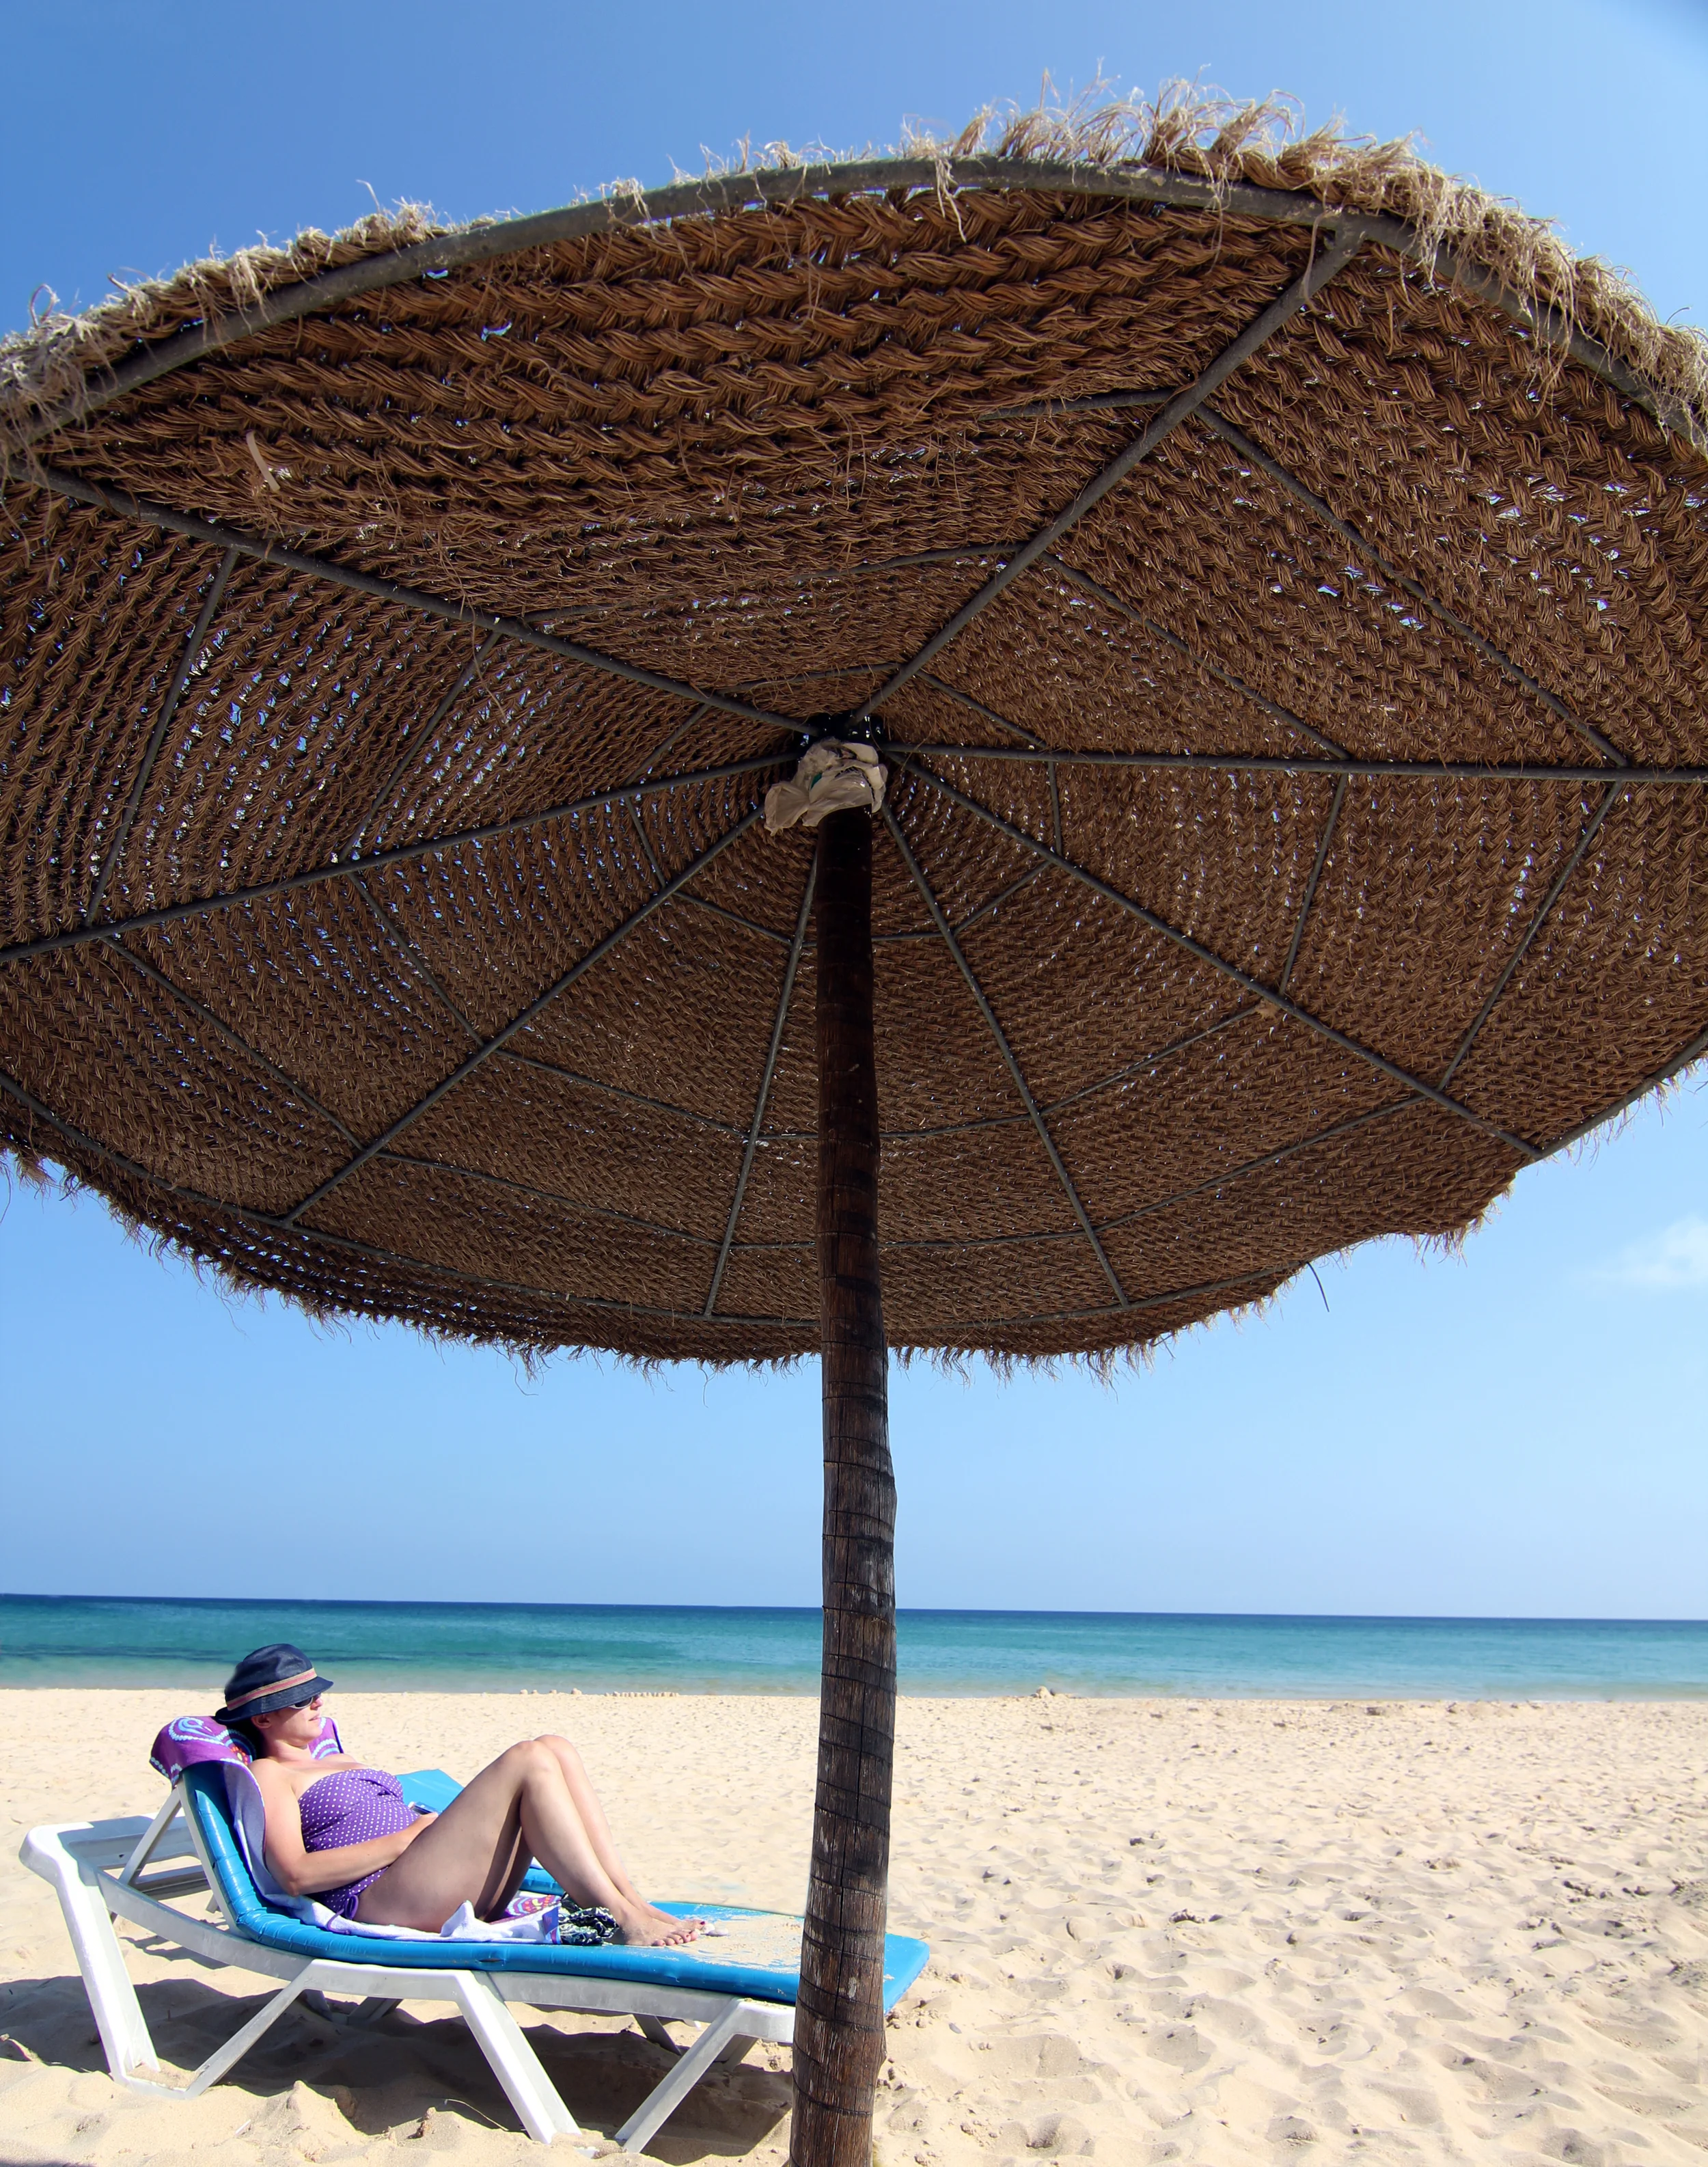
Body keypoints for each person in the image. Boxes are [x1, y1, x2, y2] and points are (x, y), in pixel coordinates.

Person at [217, 1644, 699, 1947]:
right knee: (527, 1757)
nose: (320, 1702)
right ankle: (617, 1917)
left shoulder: (340, 1759)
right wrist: (405, 1839)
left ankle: (631, 1901)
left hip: (431, 1878)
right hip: (382, 1897)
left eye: (319, 1692)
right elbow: (296, 1875)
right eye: (304, 1699)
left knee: (556, 1747)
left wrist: (418, 1835)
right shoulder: (270, 1773)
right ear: (262, 1718)